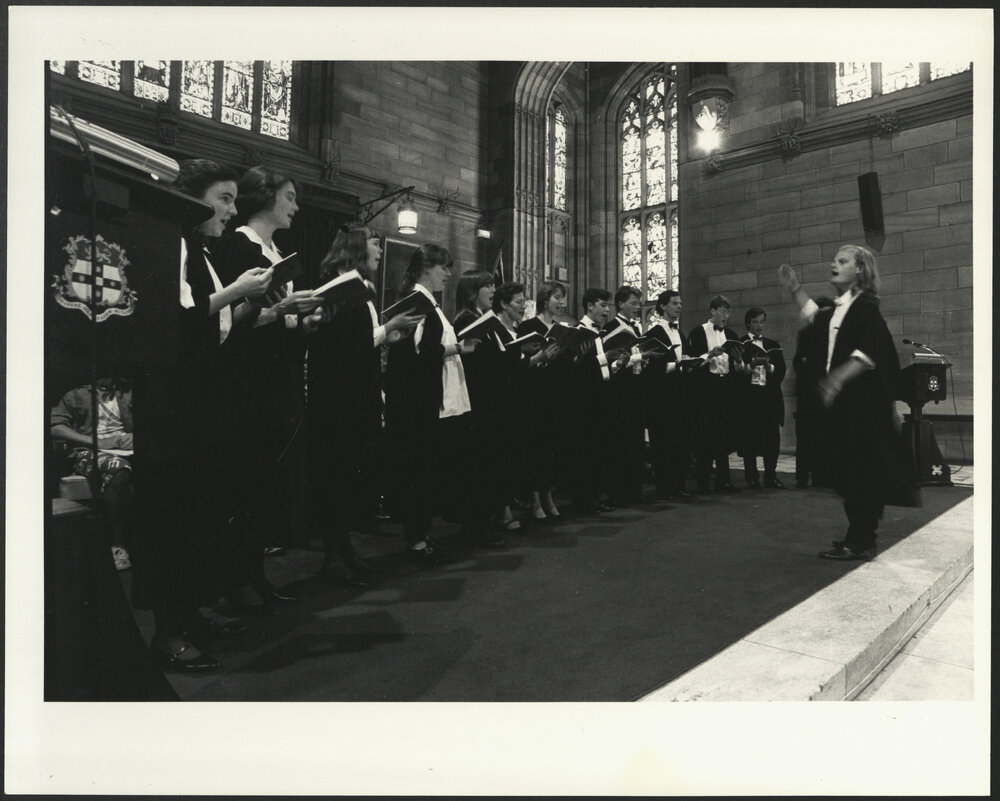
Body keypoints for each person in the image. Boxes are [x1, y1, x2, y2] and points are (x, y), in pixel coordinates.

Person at [131, 158, 273, 672]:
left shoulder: (202, 249)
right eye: (225, 199)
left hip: (202, 401)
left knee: (196, 516)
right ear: (193, 200)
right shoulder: (169, 243)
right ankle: (168, 634)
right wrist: (237, 293)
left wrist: (254, 305)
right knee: (171, 518)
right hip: (174, 406)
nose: (232, 212)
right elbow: (175, 321)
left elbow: (217, 327)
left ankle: (190, 615)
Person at [211, 166, 323, 613]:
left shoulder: (277, 251)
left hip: (277, 377)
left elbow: (276, 320)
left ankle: (255, 575)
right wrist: (283, 313)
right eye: (290, 196)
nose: (295, 206)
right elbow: (227, 323)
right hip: (247, 382)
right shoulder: (237, 244)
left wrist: (303, 319)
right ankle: (235, 581)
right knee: (245, 481)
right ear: (266, 198)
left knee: (264, 485)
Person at [303, 223, 424, 586]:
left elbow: (360, 341)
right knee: (335, 478)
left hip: (358, 394)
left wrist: (388, 331)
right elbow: (342, 344)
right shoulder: (344, 289)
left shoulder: (363, 290)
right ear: (356, 246)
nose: (380, 250)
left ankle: (344, 551)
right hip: (338, 401)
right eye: (374, 243)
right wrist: (390, 328)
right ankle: (333, 556)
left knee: (348, 479)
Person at [778, 245, 902, 561]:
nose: (834, 263)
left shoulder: (866, 307)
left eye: (843, 260)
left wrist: (837, 379)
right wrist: (795, 289)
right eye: (835, 259)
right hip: (846, 407)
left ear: (860, 269)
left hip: (862, 406)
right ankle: (859, 535)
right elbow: (812, 315)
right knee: (847, 470)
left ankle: (861, 539)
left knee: (859, 472)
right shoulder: (839, 308)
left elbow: (868, 353)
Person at [384, 243, 483, 562]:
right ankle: (416, 540)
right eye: (443, 268)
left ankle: (421, 535)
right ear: (427, 268)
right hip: (420, 403)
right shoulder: (419, 301)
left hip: (426, 400)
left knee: (425, 473)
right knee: (419, 473)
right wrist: (458, 350)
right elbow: (420, 353)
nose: (448, 273)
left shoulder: (428, 302)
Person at [50, 378, 135, 570]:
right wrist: (95, 442)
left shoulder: (128, 391)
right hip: (88, 451)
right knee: (119, 469)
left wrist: (135, 434)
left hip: (128, 448)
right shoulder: (75, 394)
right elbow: (55, 426)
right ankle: (117, 544)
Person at [514, 280, 569, 521]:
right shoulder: (528, 325)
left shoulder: (560, 328)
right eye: (557, 297)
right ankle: (535, 498)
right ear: (545, 299)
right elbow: (522, 360)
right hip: (533, 394)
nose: (562, 302)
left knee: (550, 448)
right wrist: (541, 356)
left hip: (554, 393)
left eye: (563, 298)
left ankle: (548, 495)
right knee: (534, 449)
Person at [687, 294, 742, 493]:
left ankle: (724, 480)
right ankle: (702, 483)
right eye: (722, 312)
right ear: (713, 311)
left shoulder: (732, 334)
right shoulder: (698, 332)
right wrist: (710, 355)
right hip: (706, 389)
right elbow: (691, 363)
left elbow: (738, 367)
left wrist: (738, 360)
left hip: (726, 388)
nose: (726, 316)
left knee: (724, 436)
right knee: (705, 438)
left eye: (728, 312)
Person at [643, 290, 693, 500]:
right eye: (674, 303)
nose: (679, 307)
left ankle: (678, 486)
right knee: (663, 443)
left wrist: (689, 362)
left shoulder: (680, 334)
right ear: (662, 306)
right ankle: (664, 488)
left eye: (680, 303)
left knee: (679, 442)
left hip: (680, 395)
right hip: (662, 397)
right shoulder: (653, 333)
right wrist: (676, 365)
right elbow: (652, 369)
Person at [601, 285, 649, 506]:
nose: (637, 307)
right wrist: (630, 358)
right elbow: (610, 362)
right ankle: (618, 491)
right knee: (620, 442)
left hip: (636, 389)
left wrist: (642, 358)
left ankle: (634, 488)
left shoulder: (636, 329)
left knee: (635, 441)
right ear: (620, 304)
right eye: (633, 303)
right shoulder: (610, 327)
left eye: (639, 303)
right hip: (619, 391)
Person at [737, 306, 787, 489]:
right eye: (755, 322)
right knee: (750, 438)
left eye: (761, 322)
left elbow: (781, 371)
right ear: (748, 323)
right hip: (750, 398)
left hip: (769, 397)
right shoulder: (740, 343)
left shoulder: (773, 344)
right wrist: (751, 365)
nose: (759, 325)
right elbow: (737, 372)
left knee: (772, 440)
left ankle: (771, 477)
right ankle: (752, 477)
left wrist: (769, 367)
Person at [792, 296, 835, 488]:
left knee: (824, 437)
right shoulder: (806, 333)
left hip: (826, 395)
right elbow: (798, 361)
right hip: (808, 394)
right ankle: (802, 477)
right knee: (805, 437)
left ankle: (822, 476)